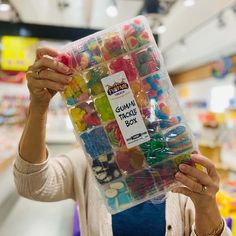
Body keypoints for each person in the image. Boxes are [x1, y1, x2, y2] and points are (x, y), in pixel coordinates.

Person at [14, 48, 232, 236]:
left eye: (138, 95)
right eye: (114, 100)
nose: (130, 110)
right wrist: (39, 107)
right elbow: (33, 184)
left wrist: (206, 206)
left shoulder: (179, 164)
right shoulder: (90, 163)